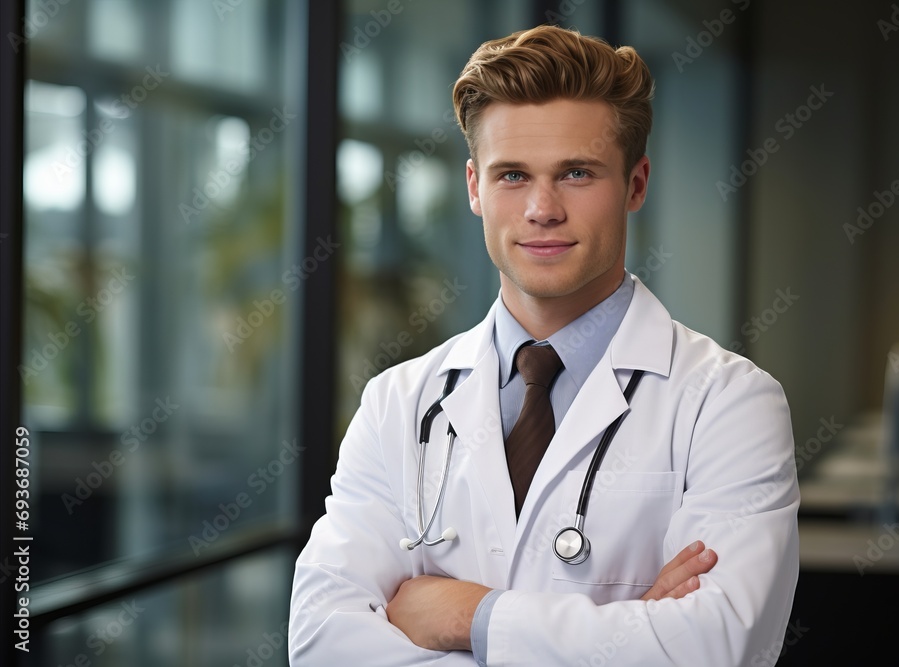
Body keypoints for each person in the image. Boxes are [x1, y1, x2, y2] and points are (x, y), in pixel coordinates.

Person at [289, 24, 798, 666]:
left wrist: (463, 614)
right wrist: (628, 629)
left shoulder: (729, 403)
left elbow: (716, 647)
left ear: (636, 184)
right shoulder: (400, 402)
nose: (542, 208)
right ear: (474, 187)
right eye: (512, 176)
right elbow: (320, 642)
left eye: (577, 173)